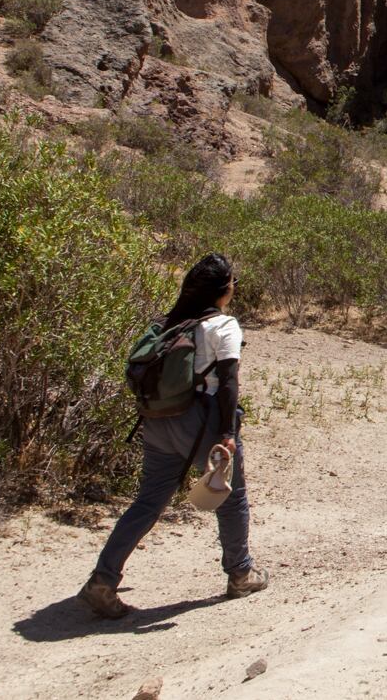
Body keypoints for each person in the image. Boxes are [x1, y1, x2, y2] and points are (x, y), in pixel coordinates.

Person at [79, 254, 268, 618]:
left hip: (158, 421)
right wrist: (228, 432)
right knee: (231, 497)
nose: (233, 288)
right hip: (202, 421)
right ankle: (241, 573)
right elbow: (228, 382)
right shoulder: (223, 326)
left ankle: (102, 580)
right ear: (222, 290)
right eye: (231, 283)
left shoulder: (170, 323)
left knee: (148, 501)